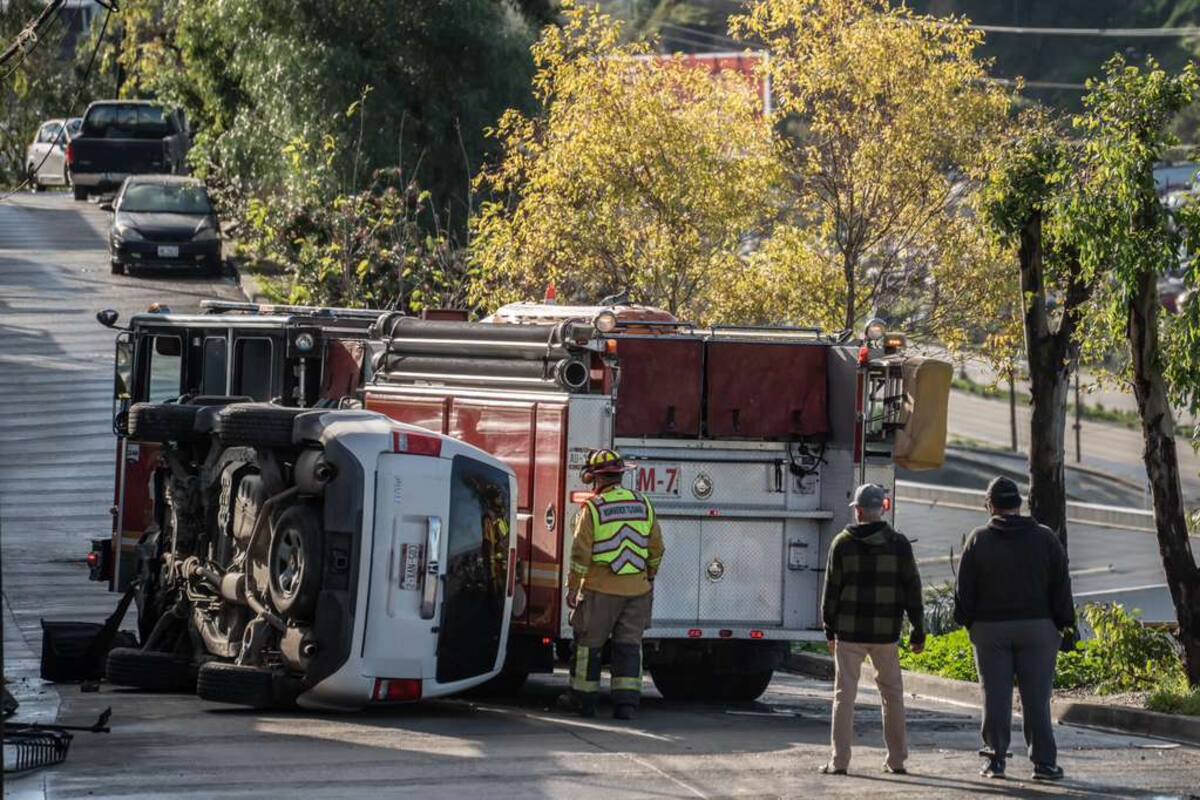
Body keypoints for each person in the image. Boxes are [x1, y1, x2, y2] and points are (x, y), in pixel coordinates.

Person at [954, 476, 1074, 782]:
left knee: (995, 697)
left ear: (989, 505)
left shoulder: (978, 539)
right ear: (1019, 505)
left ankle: (995, 761)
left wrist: (969, 622)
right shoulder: (1045, 538)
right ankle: (1044, 764)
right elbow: (1061, 585)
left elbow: (964, 590)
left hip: (990, 630)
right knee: (1037, 698)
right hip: (1038, 628)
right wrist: (1061, 624)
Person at [819, 483, 925, 776]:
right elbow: (912, 589)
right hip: (885, 633)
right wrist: (918, 630)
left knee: (844, 696)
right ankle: (897, 760)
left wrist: (829, 630)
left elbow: (831, 591)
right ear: (883, 509)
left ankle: (839, 762)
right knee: (892, 696)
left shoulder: (842, 543)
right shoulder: (899, 544)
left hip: (849, 633)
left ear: (860, 511)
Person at [561, 448, 664, 721]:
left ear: (593, 479)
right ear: (620, 475)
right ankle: (626, 705)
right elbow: (656, 548)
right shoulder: (644, 504)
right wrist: (649, 576)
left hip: (600, 591)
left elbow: (580, 554)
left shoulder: (593, 509)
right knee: (629, 646)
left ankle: (583, 701)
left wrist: (573, 589)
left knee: (588, 646)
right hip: (638, 591)